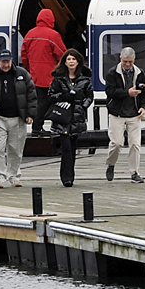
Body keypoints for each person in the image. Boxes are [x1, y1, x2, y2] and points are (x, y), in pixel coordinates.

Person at [0, 49, 37, 188]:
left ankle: (14, 175)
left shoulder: (22, 74)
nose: (6, 65)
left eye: (8, 61)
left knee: (16, 149)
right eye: (3, 62)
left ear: (12, 61)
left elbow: (32, 94)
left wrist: (30, 114)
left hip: (18, 117)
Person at [47, 48, 93, 187]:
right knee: (66, 147)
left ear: (78, 62)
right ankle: (66, 177)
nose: (71, 61)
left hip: (77, 117)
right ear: (65, 62)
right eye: (68, 59)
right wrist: (64, 96)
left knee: (73, 147)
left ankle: (70, 175)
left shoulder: (85, 80)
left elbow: (89, 96)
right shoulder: (59, 79)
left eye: (74, 59)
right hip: (63, 117)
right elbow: (51, 95)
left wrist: (82, 107)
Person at [104, 47, 145, 184]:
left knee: (135, 144)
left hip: (134, 113)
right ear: (120, 59)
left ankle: (134, 172)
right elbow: (110, 92)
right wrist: (127, 93)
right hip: (116, 113)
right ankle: (111, 164)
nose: (128, 64)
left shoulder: (140, 73)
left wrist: (143, 107)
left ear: (134, 60)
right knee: (116, 143)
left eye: (130, 62)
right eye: (125, 62)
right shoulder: (112, 73)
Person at [21, 8, 66, 136]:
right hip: (49, 76)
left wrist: (30, 69)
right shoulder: (53, 35)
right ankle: (39, 127)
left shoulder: (29, 34)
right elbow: (62, 55)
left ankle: (37, 126)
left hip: (34, 75)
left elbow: (24, 56)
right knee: (49, 102)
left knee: (39, 102)